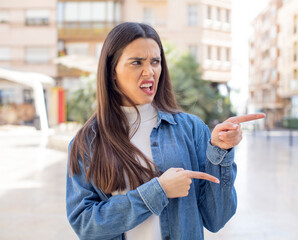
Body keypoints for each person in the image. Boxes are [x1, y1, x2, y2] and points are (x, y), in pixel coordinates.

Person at [66, 22, 265, 240]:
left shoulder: (192, 129)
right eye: (136, 62)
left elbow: (217, 219)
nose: (149, 71)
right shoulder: (87, 142)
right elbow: (86, 226)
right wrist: (158, 191)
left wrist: (221, 151)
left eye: (155, 61)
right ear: (112, 71)